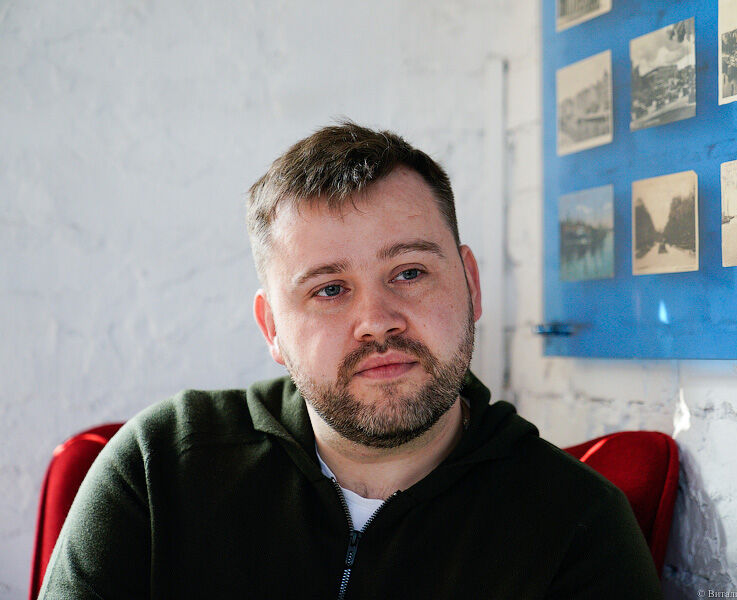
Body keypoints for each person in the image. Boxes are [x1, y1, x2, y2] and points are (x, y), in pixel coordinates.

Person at [39, 122, 661, 599]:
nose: (377, 320)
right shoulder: (158, 469)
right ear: (272, 327)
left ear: (470, 284)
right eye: (330, 289)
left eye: (409, 272)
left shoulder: (579, 525)